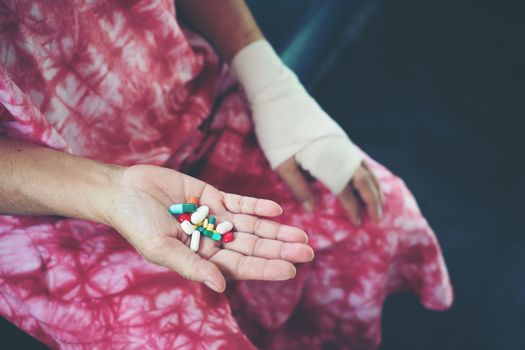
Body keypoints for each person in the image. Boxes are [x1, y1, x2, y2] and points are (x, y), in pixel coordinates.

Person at [0, 1, 453, 349]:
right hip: (50, 208)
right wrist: (110, 192)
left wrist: (273, 86)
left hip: (191, 103)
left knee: (382, 216)